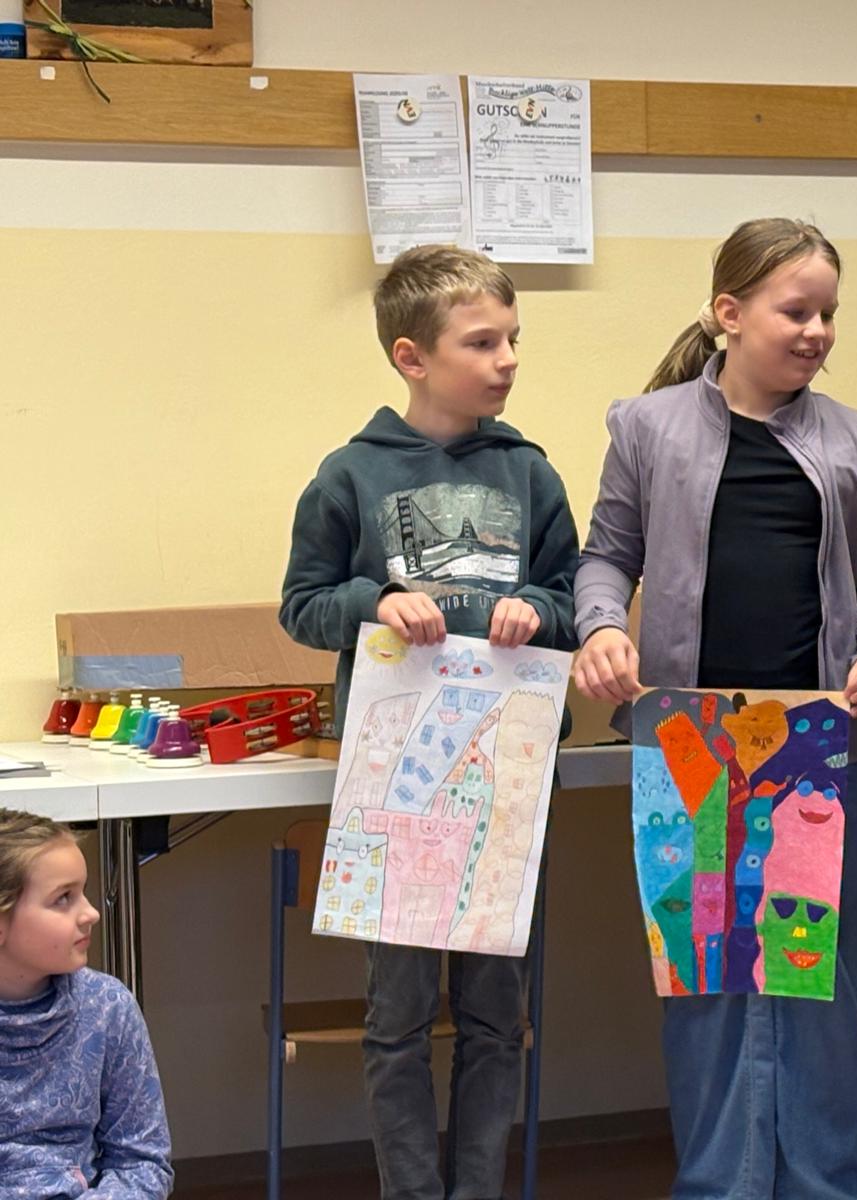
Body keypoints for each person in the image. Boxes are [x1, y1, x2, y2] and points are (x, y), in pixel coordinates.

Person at [572, 217, 857, 1199]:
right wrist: (601, 627)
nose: (817, 332)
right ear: (729, 313)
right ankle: (720, 1184)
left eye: (828, 314)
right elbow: (606, 556)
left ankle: (833, 1185)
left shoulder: (856, 441)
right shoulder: (647, 428)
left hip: (814, 748)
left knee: (819, 991)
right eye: (795, 311)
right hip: (689, 748)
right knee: (705, 986)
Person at [279, 244, 579, 1200]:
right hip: (396, 784)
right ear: (411, 356)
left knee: (496, 1016)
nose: (507, 359)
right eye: (481, 342)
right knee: (398, 1017)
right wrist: (373, 600)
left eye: (513, 339)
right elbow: (301, 605)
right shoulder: (349, 474)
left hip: (505, 780)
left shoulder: (529, 473)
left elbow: (576, 600)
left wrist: (539, 609)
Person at [0, 808, 173, 1199]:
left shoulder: (107, 1007)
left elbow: (143, 1163)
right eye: (63, 898)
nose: (92, 913)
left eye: (83, 892)